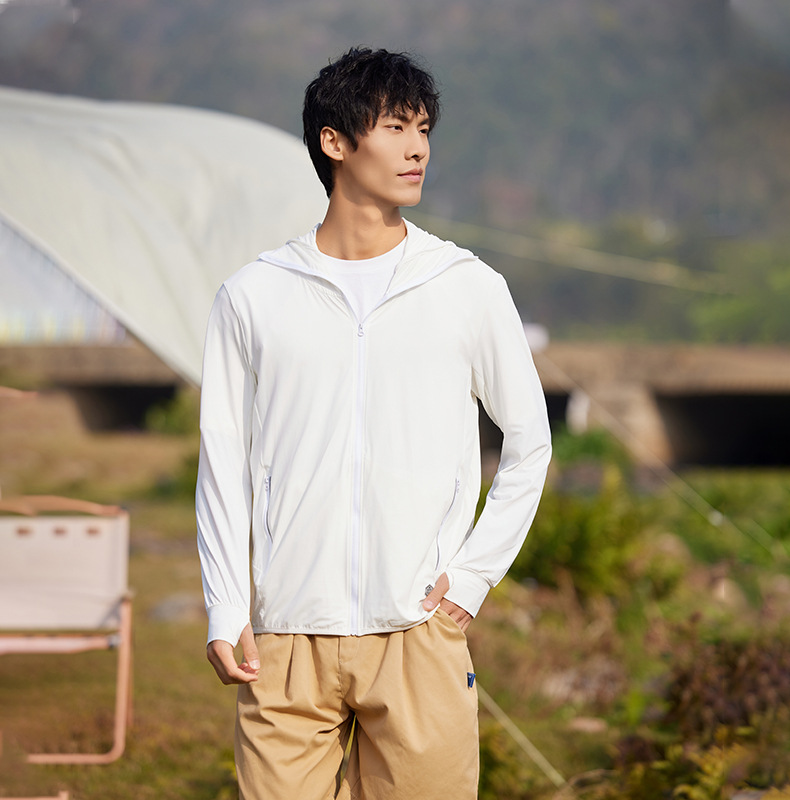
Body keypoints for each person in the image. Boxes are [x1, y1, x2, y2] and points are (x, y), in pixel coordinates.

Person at [196, 47, 551, 800]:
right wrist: (227, 605)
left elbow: (530, 442)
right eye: (396, 127)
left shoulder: (466, 287)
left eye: (424, 129)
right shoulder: (254, 295)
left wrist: (472, 579)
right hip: (287, 634)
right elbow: (222, 459)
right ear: (334, 141)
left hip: (418, 627)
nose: (418, 148)